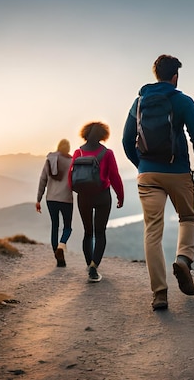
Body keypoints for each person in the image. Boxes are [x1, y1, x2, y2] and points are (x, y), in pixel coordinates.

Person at [122, 54, 194, 311]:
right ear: (175, 77)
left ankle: (159, 293)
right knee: (187, 218)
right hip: (179, 171)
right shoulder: (183, 100)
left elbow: (127, 141)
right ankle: (183, 258)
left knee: (152, 232)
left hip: (148, 174)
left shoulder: (139, 103)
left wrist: (143, 166)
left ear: (156, 74)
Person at [69, 121, 124, 283]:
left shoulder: (78, 152)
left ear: (85, 133)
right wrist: (120, 196)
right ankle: (94, 266)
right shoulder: (107, 153)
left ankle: (89, 266)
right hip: (102, 196)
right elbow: (114, 176)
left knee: (88, 232)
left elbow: (70, 177)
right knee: (100, 233)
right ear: (103, 135)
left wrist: (75, 191)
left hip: (83, 196)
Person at [36, 138, 74, 267]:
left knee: (55, 226)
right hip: (66, 199)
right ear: (68, 148)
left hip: (51, 199)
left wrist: (38, 199)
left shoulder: (50, 159)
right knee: (67, 227)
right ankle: (61, 246)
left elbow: (43, 180)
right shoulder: (72, 161)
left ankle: (58, 259)